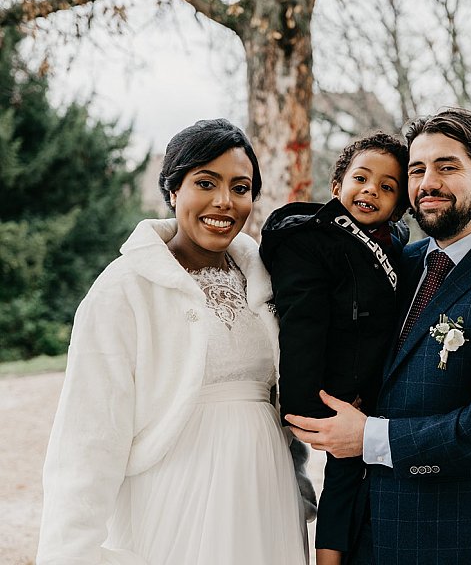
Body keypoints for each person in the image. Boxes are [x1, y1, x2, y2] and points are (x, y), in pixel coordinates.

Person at [286, 108, 471, 565]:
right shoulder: (396, 264)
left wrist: (373, 438)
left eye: (447, 167)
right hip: (365, 536)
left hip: (454, 540)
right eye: (417, 170)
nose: (427, 182)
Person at [37, 118, 312, 565]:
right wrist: (70, 552)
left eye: (241, 188)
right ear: (173, 191)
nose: (224, 201)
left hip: (268, 499)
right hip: (175, 503)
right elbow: (86, 436)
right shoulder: (123, 289)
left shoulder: (271, 284)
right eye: (206, 182)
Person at [260, 132, 410, 565]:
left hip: (383, 388)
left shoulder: (394, 246)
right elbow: (302, 325)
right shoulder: (315, 240)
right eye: (361, 178)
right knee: (343, 479)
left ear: (399, 206)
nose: (370, 190)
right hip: (340, 393)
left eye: (387, 187)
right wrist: (309, 407)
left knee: (363, 484)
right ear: (337, 185)